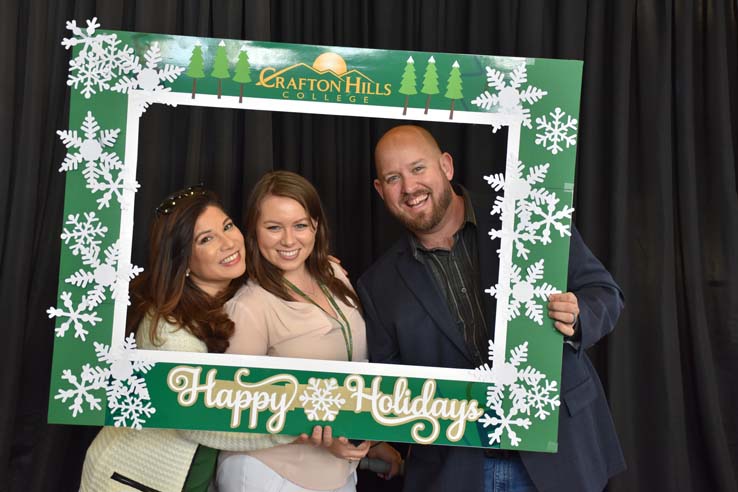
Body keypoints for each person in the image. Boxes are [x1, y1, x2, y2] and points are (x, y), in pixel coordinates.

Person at [356, 125, 626, 492]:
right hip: (455, 471)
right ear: (379, 190)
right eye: (393, 177)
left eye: (418, 169)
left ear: (446, 166)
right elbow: (390, 387)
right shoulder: (377, 286)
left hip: (560, 453)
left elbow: (604, 292)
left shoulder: (527, 220)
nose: (409, 187)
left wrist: (579, 315)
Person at [79, 186, 297, 492]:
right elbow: (199, 420)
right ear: (183, 261)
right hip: (126, 480)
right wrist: (293, 427)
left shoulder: (234, 297)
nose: (228, 243)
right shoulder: (166, 327)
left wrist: (310, 271)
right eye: (205, 239)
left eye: (227, 226)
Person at [217, 171, 402, 492]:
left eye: (300, 225)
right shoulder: (250, 307)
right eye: (274, 227)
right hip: (270, 474)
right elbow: (237, 411)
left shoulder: (334, 275)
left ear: (316, 225)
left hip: (337, 471)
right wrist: (317, 437)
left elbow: (346, 373)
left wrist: (364, 442)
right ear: (254, 231)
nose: (289, 240)